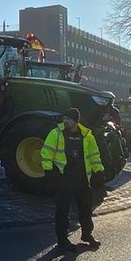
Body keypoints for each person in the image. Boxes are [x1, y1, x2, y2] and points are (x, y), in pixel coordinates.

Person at [41, 108, 105, 253]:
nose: (65, 121)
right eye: (64, 118)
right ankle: (62, 240)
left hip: (82, 180)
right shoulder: (56, 134)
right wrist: (48, 171)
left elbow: (94, 156)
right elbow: (46, 153)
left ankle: (87, 234)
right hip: (64, 180)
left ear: (76, 121)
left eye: (68, 119)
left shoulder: (87, 136)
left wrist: (99, 171)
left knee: (86, 210)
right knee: (62, 212)